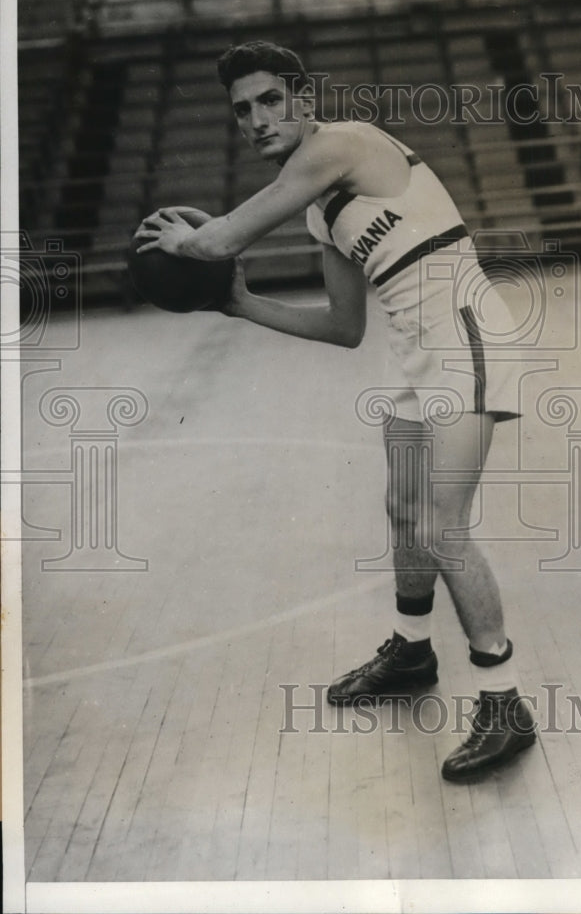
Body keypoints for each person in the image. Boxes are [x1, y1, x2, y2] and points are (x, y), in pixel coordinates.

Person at [135, 40, 535, 781]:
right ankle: (412, 652)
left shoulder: (341, 147)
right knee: (401, 508)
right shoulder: (324, 212)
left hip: (465, 332)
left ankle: (504, 704)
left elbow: (222, 235)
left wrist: (179, 241)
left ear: (303, 98)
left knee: (443, 528)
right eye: (241, 110)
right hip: (414, 350)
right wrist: (241, 303)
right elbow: (345, 329)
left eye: (269, 101)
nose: (255, 119)